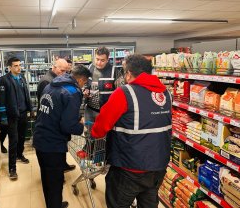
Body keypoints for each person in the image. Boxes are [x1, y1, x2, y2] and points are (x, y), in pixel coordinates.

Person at [91, 54, 172, 208]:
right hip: (158, 166)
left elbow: (100, 127)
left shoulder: (124, 93)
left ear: (128, 73)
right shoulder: (165, 94)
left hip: (129, 168)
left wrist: (94, 134)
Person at [33, 65, 91, 208]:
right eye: (85, 82)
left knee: (47, 178)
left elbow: (56, 110)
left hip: (40, 137)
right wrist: (81, 127)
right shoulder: (72, 93)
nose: (84, 85)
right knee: (55, 180)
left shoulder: (51, 85)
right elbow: (67, 126)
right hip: (53, 143)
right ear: (82, 79)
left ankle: (54, 204)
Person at [36, 58, 76, 173]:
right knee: (53, 152)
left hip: (57, 121)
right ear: (54, 67)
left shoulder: (56, 79)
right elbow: (45, 103)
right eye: (62, 70)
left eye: (66, 71)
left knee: (61, 145)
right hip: (50, 122)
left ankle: (63, 165)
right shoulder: (47, 81)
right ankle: (57, 171)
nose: (64, 74)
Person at [0, 57, 32, 180]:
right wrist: (3, 117)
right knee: (13, 141)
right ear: (10, 67)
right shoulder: (4, 80)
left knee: (22, 137)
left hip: (23, 113)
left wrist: (30, 109)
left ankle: (20, 155)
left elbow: (26, 94)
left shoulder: (22, 78)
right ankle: (12, 168)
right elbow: (1, 100)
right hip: (12, 116)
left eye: (19, 65)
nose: (19, 67)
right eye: (16, 66)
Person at [84, 46, 117, 124]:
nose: (99, 63)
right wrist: (85, 90)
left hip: (106, 112)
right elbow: (86, 83)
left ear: (107, 60)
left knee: (105, 134)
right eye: (97, 59)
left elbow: (121, 92)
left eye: (102, 60)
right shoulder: (90, 68)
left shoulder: (114, 71)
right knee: (89, 133)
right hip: (90, 110)